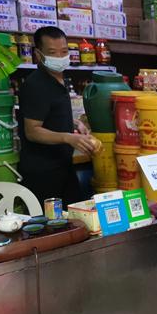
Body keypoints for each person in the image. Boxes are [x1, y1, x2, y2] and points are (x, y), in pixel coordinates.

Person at [18, 26, 96, 207]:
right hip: (43, 171)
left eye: (64, 51)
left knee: (76, 216)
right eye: (53, 52)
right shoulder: (36, 85)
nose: (60, 57)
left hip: (63, 166)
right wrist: (68, 137)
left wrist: (74, 124)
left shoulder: (59, 80)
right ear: (38, 55)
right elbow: (32, 131)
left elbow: (50, 115)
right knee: (51, 222)